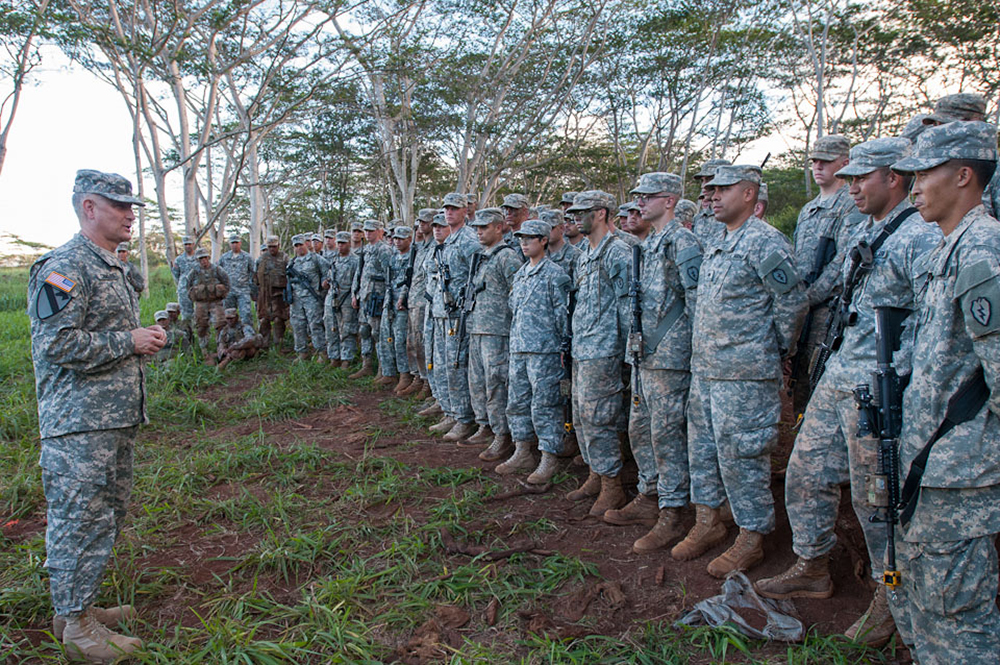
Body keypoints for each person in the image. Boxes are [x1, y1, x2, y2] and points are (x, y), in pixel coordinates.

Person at [754, 138, 940, 647]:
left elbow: (935, 325)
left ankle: (890, 598)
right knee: (806, 472)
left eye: (863, 178)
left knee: (875, 499)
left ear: (894, 178)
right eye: (850, 176)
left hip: (880, 389)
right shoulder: (864, 228)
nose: (852, 186)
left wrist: (906, 387)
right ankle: (812, 564)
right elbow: (831, 290)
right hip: (839, 373)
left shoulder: (921, 238)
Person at [28, 169, 165, 661]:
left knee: (103, 516)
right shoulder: (63, 267)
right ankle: (79, 633)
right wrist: (128, 340)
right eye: (119, 206)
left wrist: (138, 339)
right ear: (89, 207)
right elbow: (55, 343)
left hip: (111, 417)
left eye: (132, 207)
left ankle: (75, 610)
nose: (131, 215)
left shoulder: (109, 265)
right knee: (78, 520)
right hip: (79, 422)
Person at [885, 121, 1000, 662]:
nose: (913, 188)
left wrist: (969, 462)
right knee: (927, 597)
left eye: (923, 174)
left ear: (962, 175)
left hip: (959, 471)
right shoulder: (944, 250)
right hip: (928, 461)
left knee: (959, 613)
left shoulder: (984, 252)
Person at [676, 165, 807, 577]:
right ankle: (708, 522)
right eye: (707, 190)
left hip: (745, 376)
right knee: (703, 452)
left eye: (721, 189)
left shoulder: (766, 243)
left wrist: (772, 349)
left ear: (749, 194)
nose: (710, 196)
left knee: (742, 457)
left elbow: (792, 303)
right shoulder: (716, 239)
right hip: (707, 371)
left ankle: (751, 537)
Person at [605, 172, 702, 554]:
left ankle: (673, 511)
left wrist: (695, 353)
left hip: (671, 358)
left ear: (671, 201)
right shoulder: (646, 243)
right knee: (641, 428)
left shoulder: (683, 242)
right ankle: (650, 494)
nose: (639, 203)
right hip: (644, 356)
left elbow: (696, 303)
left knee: (666, 434)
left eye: (648, 197)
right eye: (638, 197)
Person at [563, 191, 632, 516]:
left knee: (600, 418)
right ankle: (595, 474)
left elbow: (627, 306)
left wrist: (625, 352)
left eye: (583, 212)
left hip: (605, 350)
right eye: (574, 213)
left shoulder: (617, 252)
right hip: (583, 346)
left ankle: (612, 485)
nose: (575, 218)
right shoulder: (584, 253)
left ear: (602, 213)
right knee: (582, 415)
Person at [788, 135, 865, 415]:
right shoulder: (808, 209)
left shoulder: (851, 205)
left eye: (826, 162)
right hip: (804, 308)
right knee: (800, 382)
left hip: (827, 311)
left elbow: (845, 261)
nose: (818, 167)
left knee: (820, 379)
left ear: (845, 163)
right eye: (814, 161)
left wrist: (809, 297)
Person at [499, 218, 572, 482]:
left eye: (530, 238)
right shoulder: (520, 274)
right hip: (520, 349)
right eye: (521, 238)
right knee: (517, 402)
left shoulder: (556, 275)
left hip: (546, 352)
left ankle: (548, 458)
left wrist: (563, 350)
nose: (524, 243)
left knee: (545, 405)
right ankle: (522, 451)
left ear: (543, 240)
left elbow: (564, 316)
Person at [465, 207, 522, 453]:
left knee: (496, 384)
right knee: (477, 382)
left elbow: (518, 294)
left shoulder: (507, 256)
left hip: (498, 332)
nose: (479, 232)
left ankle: (502, 434)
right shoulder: (481, 255)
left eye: (484, 227)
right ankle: (484, 425)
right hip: (477, 328)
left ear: (499, 227)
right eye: (477, 227)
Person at [427, 197, 481, 441]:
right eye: (446, 209)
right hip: (443, 312)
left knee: (457, 365)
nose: (448, 213)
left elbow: (478, 271)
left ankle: (464, 418)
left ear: (464, 211)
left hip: (459, 315)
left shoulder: (468, 239)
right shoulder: (449, 240)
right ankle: (451, 410)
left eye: (454, 209)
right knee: (444, 364)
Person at [398, 209, 435, 398]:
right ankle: (417, 378)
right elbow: (412, 276)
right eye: (420, 221)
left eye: (426, 221)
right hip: (413, 301)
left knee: (422, 344)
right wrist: (403, 295)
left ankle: (428, 382)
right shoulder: (419, 248)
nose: (422, 224)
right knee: (411, 343)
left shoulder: (435, 246)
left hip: (424, 303)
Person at [350, 220, 393, 378]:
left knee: (377, 333)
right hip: (364, 296)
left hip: (377, 297)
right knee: (364, 330)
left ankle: (384, 369)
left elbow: (390, 276)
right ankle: (366, 364)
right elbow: (359, 273)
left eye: (371, 230)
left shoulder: (384, 250)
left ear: (380, 231)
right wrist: (355, 293)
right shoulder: (365, 250)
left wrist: (387, 299)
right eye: (366, 230)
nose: (368, 233)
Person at [380, 225, 415, 390]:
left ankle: (405, 374)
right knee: (387, 337)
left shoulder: (413, 256)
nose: (397, 242)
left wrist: (403, 298)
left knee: (401, 339)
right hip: (390, 301)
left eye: (401, 238)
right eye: (395, 239)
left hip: (404, 303)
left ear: (409, 239)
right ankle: (388, 372)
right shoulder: (393, 257)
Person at [181, 247, 230, 363]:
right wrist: (194, 296)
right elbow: (187, 286)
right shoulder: (194, 272)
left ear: (208, 258)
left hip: (216, 302)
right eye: (200, 259)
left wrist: (222, 293)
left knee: (220, 325)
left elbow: (227, 283)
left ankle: (221, 347)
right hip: (200, 303)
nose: (203, 261)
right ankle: (204, 349)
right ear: (197, 260)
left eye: (205, 258)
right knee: (201, 326)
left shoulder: (217, 269)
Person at [287, 234, 328, 361]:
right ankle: (302, 352)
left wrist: (324, 282)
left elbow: (327, 272)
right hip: (296, 300)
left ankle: (322, 352)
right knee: (298, 326)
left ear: (306, 244)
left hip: (312, 299)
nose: (299, 248)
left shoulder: (316, 259)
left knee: (315, 326)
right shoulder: (292, 262)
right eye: (296, 246)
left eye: (301, 245)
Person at [323, 231, 360, 368]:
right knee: (330, 328)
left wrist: (354, 297)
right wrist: (326, 282)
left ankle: (347, 359)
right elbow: (329, 276)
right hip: (331, 298)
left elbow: (358, 282)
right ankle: (334, 357)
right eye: (338, 243)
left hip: (346, 300)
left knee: (347, 330)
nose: (340, 246)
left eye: (343, 243)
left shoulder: (355, 260)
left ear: (349, 243)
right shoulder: (333, 259)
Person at [253, 235, 290, 349]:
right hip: (264, 294)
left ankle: (279, 344)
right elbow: (254, 277)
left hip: (279, 294)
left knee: (279, 319)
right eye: (270, 247)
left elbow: (290, 274)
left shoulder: (284, 257)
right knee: (264, 319)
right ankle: (264, 344)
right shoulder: (261, 259)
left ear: (278, 245)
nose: (272, 249)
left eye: (274, 247)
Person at [690, 158, 730, 247]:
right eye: (703, 180)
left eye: (709, 180)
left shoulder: (734, 217)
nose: (703, 185)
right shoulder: (699, 218)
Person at [218, 234, 255, 325]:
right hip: (229, 292)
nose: (235, 245)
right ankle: (230, 336)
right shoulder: (224, 257)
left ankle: (248, 335)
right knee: (229, 316)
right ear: (230, 244)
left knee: (246, 315)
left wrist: (251, 287)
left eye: (236, 243)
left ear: (240, 243)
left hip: (243, 291)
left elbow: (253, 273)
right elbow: (218, 272)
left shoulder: (247, 257)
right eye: (232, 243)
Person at [171, 235, 198, 319]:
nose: (188, 246)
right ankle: (188, 331)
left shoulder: (199, 258)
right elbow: (176, 274)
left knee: (202, 313)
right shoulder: (179, 259)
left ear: (193, 244)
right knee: (186, 314)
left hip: (198, 289)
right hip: (184, 289)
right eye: (186, 244)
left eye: (189, 244)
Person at [501, 193, 531, 260]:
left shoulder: (532, 237)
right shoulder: (504, 238)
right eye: (506, 209)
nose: (508, 213)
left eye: (512, 209)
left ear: (525, 212)